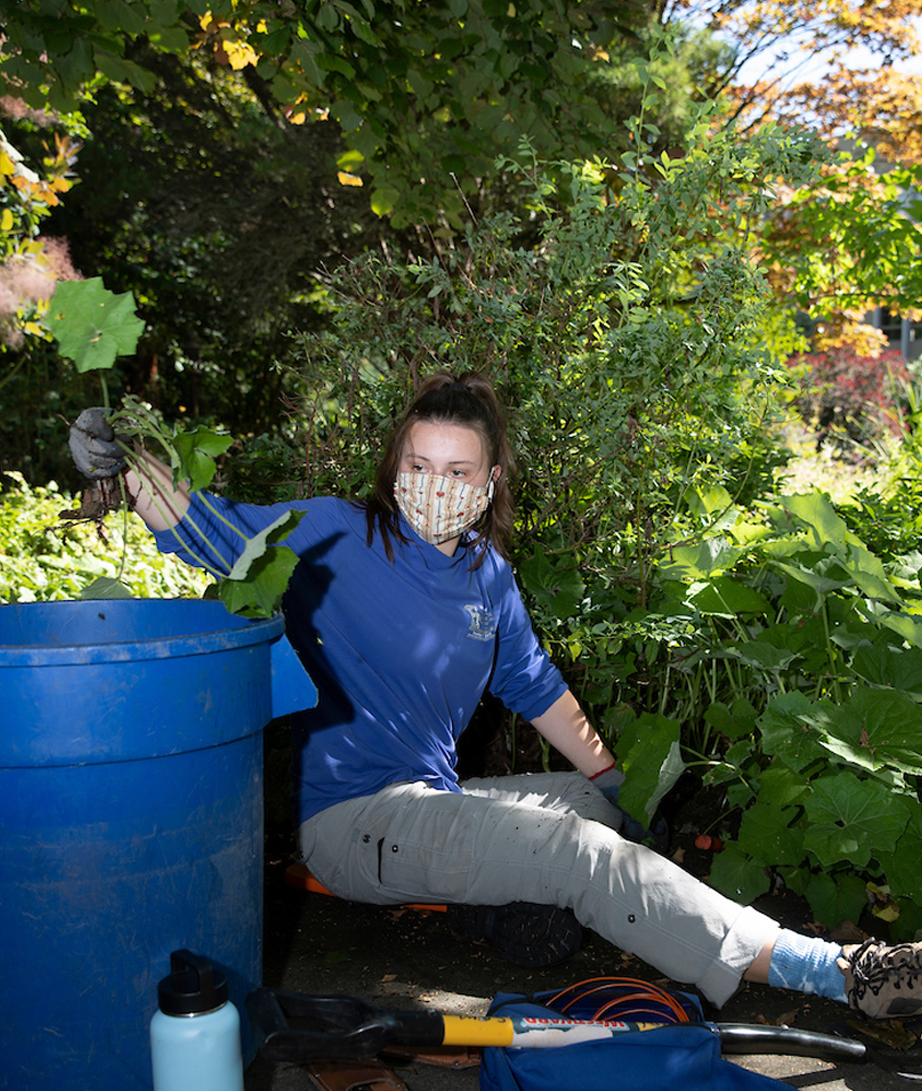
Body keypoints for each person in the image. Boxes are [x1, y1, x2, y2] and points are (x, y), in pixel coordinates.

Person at [69, 372, 922, 1019]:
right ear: (396, 464)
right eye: (418, 463)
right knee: (577, 853)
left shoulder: (488, 575)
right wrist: (125, 457)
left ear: (487, 480)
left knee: (584, 805)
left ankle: (492, 915)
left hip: (433, 804)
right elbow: (207, 528)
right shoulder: (332, 535)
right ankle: (838, 972)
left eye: (456, 469)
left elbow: (536, 686)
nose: (433, 484)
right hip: (355, 824)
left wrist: (621, 791)